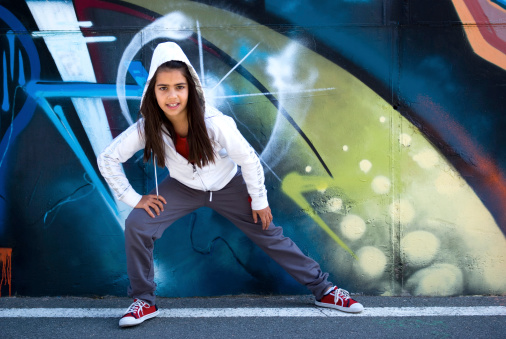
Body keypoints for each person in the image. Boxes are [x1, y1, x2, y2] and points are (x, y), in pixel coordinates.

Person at [98, 42, 363, 328]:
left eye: (179, 86)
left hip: (228, 185)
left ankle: (324, 290)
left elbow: (248, 160)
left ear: (191, 87)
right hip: (182, 188)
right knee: (137, 224)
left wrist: (259, 201)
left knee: (268, 232)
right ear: (153, 90)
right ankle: (143, 301)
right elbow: (108, 158)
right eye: (163, 88)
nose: (172, 95)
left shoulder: (215, 122)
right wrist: (133, 198)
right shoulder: (148, 126)